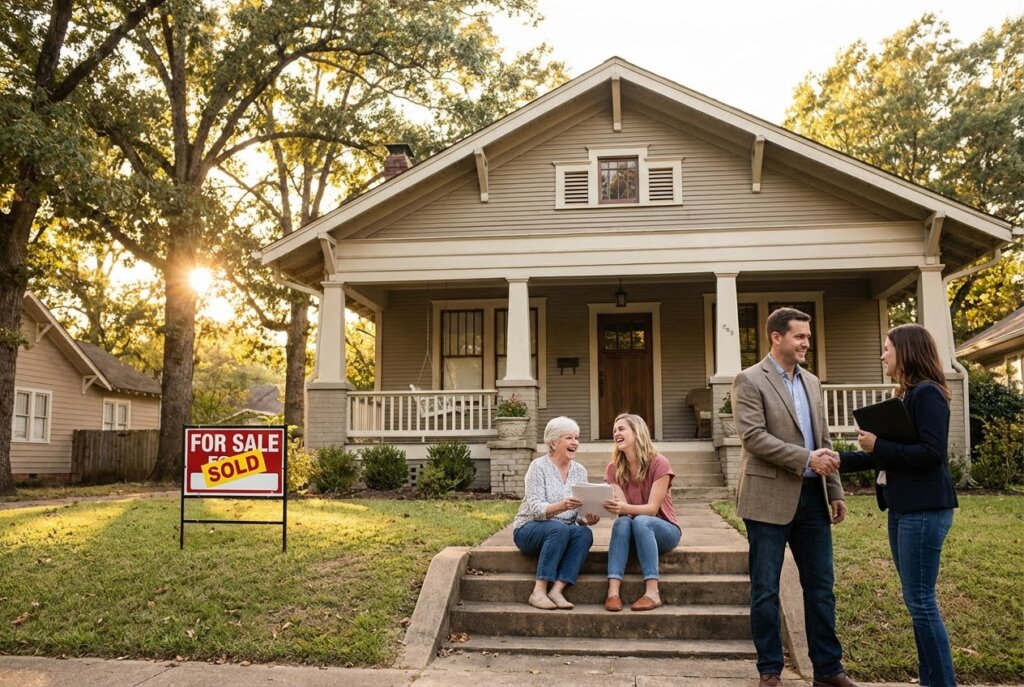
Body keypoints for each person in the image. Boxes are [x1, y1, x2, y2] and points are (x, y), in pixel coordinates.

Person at [733, 307, 858, 687]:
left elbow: (822, 439)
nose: (807, 342)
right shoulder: (750, 380)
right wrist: (805, 459)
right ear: (776, 337)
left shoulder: (813, 382)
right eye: (800, 336)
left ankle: (828, 670)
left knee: (821, 588)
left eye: (807, 336)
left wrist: (834, 489)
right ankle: (769, 669)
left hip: (813, 499)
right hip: (767, 497)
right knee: (765, 589)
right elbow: (753, 437)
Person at [838, 324, 959, 687]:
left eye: (887, 348)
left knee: (922, 603)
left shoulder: (928, 395)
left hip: (924, 510)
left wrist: (879, 445)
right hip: (904, 509)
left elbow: (932, 454)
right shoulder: (905, 397)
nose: (882, 355)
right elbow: (887, 456)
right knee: (916, 603)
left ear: (905, 352)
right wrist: (834, 459)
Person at [511, 416, 600, 610]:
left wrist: (587, 519)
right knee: (558, 529)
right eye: (569, 438)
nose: (575, 442)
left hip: (563, 530)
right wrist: (562, 505)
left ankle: (557, 590)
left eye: (576, 438)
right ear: (553, 442)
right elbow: (535, 508)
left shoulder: (579, 471)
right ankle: (539, 591)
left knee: (584, 533)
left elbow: (577, 515)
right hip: (529, 529)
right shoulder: (538, 467)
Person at [601, 412, 681, 612]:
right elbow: (624, 511)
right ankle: (613, 592)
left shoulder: (659, 463)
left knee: (641, 520)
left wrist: (623, 508)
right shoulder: (614, 468)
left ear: (637, 432)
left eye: (621, 429)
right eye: (614, 431)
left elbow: (652, 509)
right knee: (622, 522)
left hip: (665, 530)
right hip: (636, 532)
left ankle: (653, 593)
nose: (616, 433)